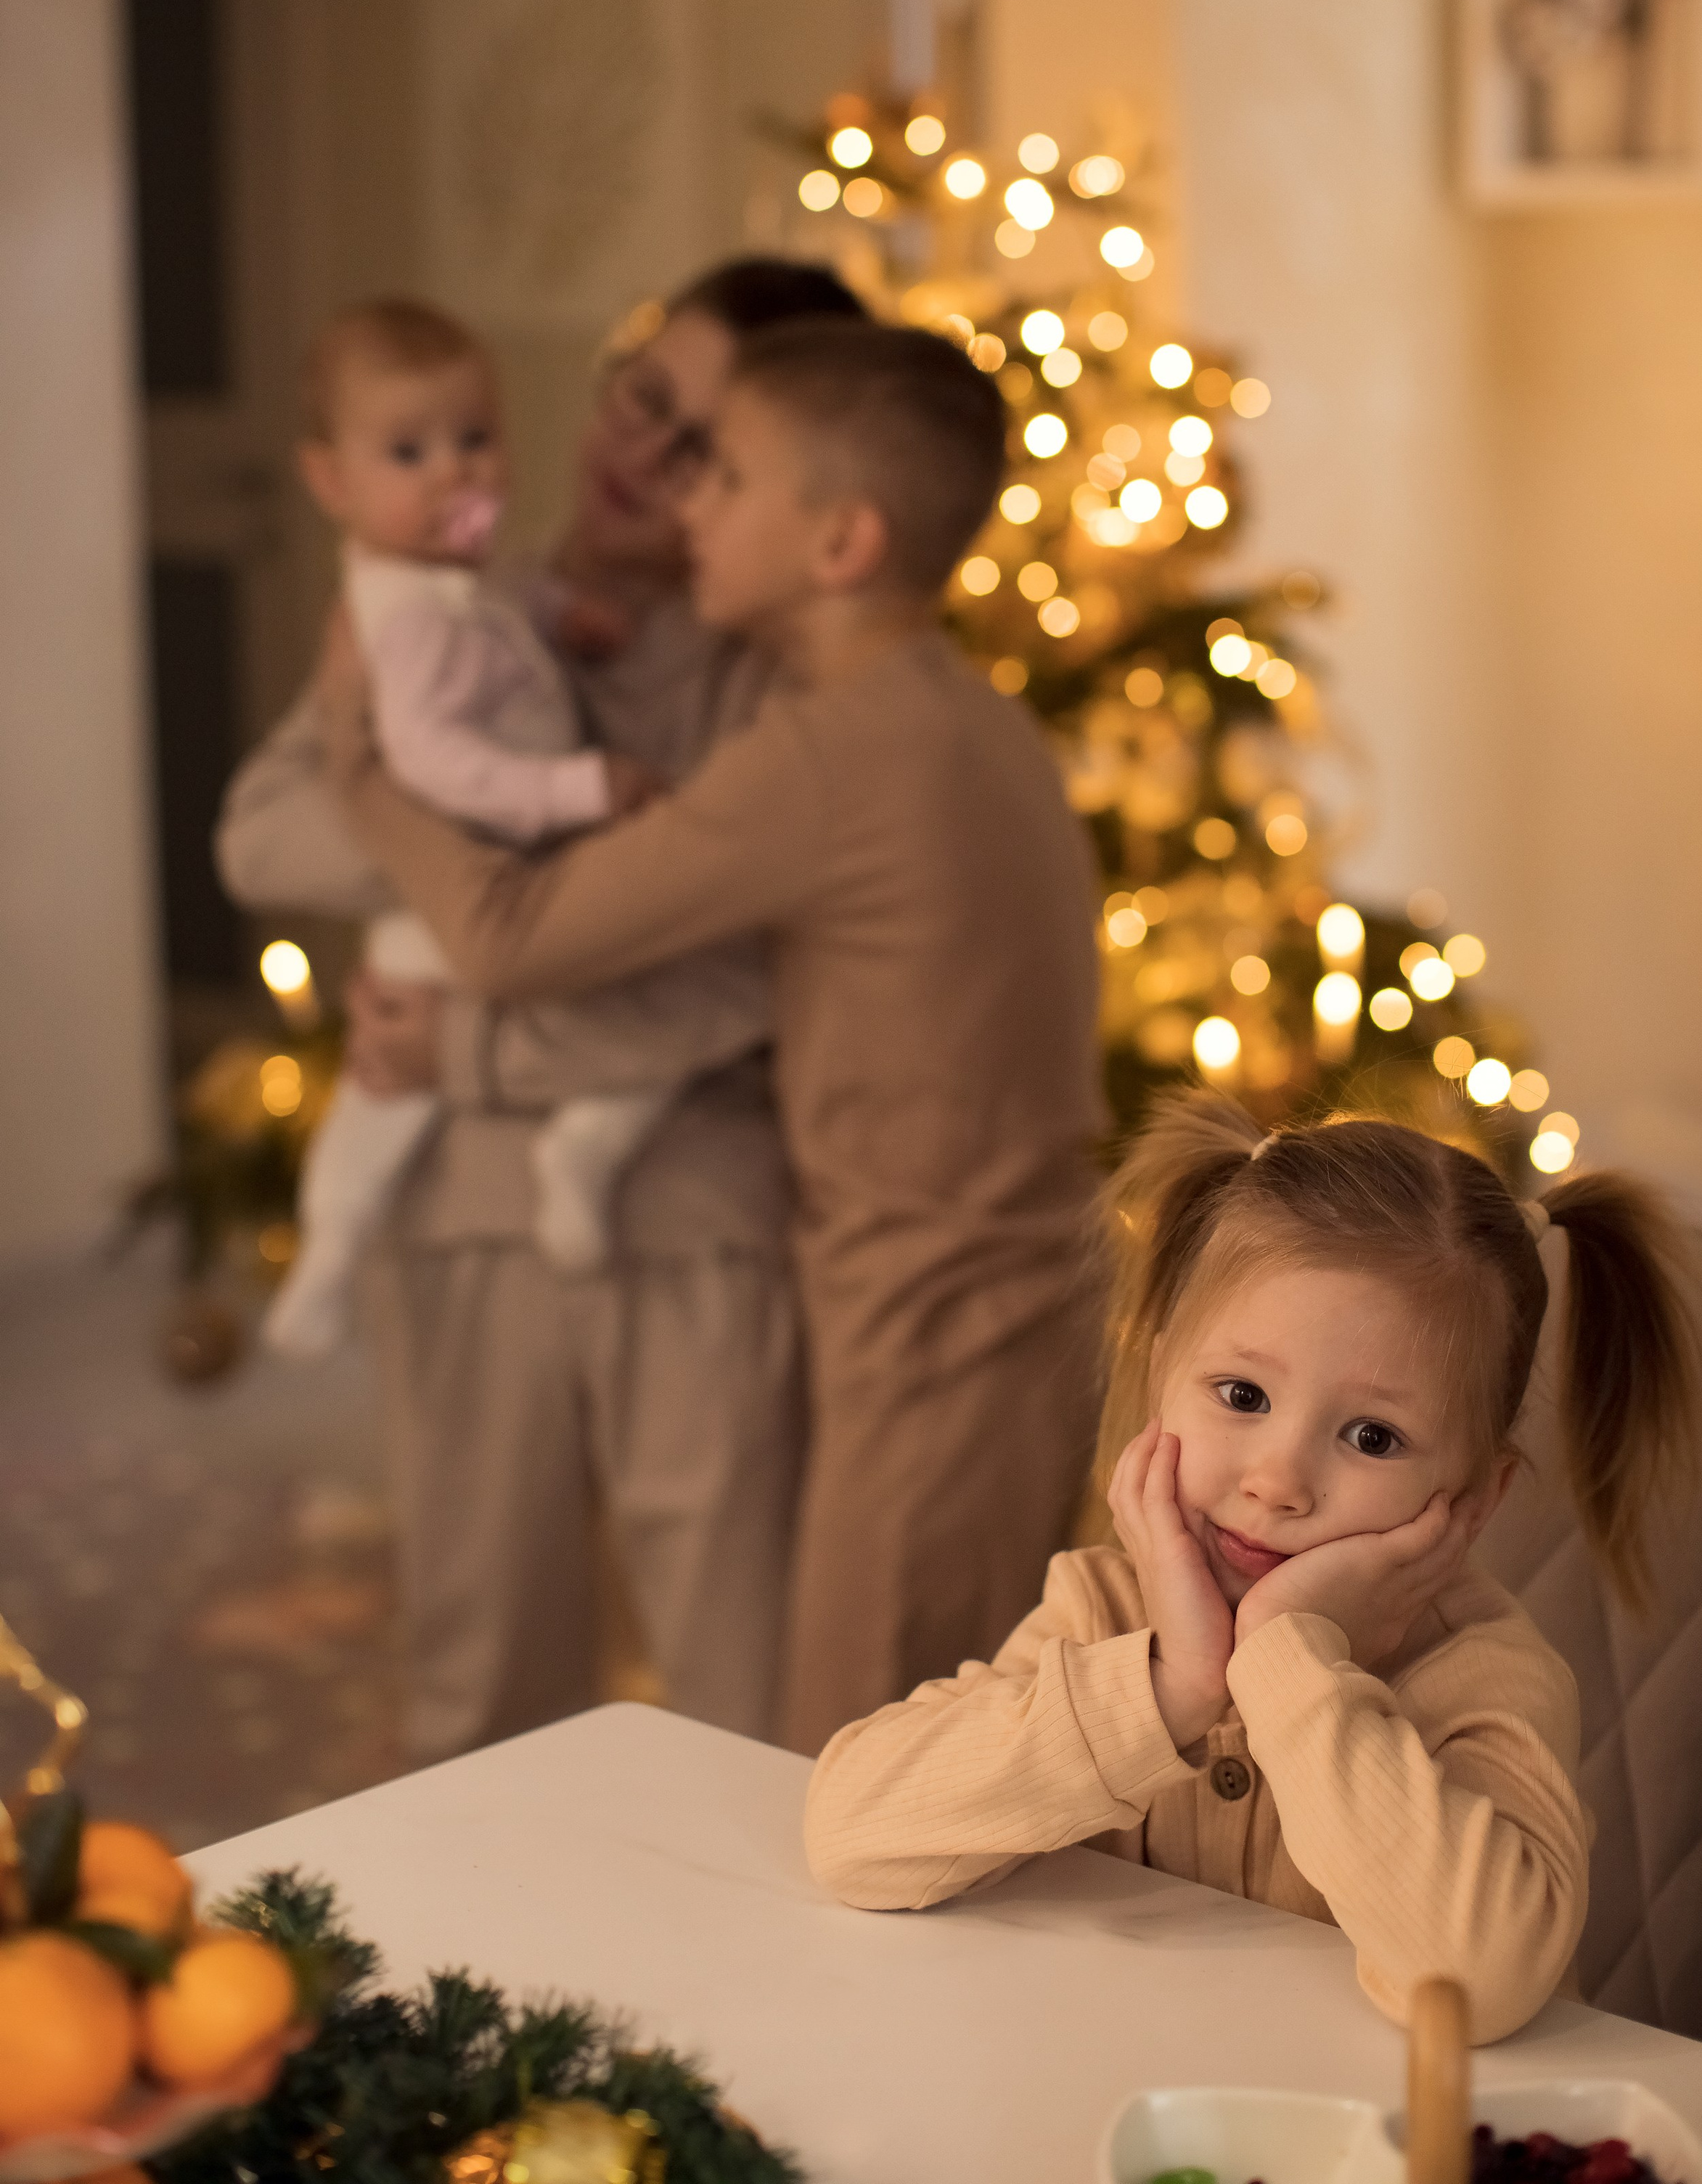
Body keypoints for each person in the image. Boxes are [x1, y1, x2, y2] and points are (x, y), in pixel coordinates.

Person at [319, 319, 1105, 1757]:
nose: (688, 501)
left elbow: (506, 936)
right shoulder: (958, 720)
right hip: (995, 1320)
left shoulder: (826, 756)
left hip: (930, 1340)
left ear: (839, 541)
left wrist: (362, 760)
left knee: (854, 1798)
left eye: (726, 476)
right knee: (920, 1774)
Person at [217, 256, 866, 1757]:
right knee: (477, 1676)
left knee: (739, 1698)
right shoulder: (442, 597)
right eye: (643, 400)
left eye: (702, 445)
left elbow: (742, 972)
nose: (645, 455)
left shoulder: (764, 672)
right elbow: (264, 832)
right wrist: (481, 812)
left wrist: (479, 1009)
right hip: (454, 1207)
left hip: (687, 1207)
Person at [803, 1097, 1702, 2047]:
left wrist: (1286, 1656)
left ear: (1474, 1499)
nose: (1277, 1481)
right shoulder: (1107, 1608)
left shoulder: (1486, 1681)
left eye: (1372, 1436)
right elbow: (854, 1838)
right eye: (1242, 1395)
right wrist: (1168, 1687)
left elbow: (1478, 1984)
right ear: (1159, 1384)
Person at [268, 294, 768, 1358]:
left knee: (622, 1040)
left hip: (544, 902)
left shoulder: (476, 575)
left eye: (475, 438)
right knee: (382, 1095)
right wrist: (579, 791)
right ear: (332, 483)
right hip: (473, 878)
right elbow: (415, 768)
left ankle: (578, 1149)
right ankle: (329, 1249)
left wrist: (560, 618)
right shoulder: (389, 622)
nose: (455, 472)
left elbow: (507, 605)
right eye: (410, 451)